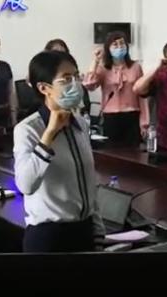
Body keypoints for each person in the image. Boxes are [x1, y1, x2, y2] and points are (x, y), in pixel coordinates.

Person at [14, 50, 105, 253]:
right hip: (49, 237)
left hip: (84, 231)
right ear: (44, 88)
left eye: (76, 76)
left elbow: (88, 183)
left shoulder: (80, 124)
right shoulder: (28, 129)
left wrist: (98, 232)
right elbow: (25, 185)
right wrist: (49, 135)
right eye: (66, 79)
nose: (75, 84)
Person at [83, 31, 147, 146]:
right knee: (112, 150)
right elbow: (89, 84)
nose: (119, 47)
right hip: (111, 117)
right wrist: (96, 61)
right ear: (108, 48)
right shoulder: (103, 69)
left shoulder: (135, 67)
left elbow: (142, 95)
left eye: (122, 43)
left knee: (133, 151)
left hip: (132, 115)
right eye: (115, 44)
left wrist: (144, 122)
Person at [46, 39, 91, 115]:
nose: (60, 56)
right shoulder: (44, 75)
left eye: (63, 53)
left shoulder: (73, 74)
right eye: (56, 52)